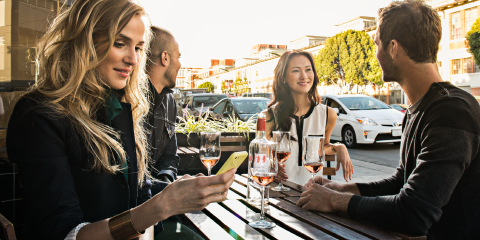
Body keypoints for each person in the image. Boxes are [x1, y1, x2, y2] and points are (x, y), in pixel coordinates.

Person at [6, 1, 235, 239]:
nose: (134, 60)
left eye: (138, 48)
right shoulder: (39, 115)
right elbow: (66, 234)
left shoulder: (119, 107)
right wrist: (162, 205)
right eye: (120, 44)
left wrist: (176, 191)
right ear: (85, 43)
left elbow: (135, 193)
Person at [296, 1, 480, 239]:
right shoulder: (420, 108)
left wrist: (335, 201)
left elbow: (414, 213)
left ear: (393, 48)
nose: (376, 53)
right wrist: (344, 189)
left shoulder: (451, 112)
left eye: (376, 44)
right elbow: (401, 181)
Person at [265, 50, 354, 185]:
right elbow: (260, 156)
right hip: (279, 195)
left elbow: (321, 149)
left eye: (308, 69)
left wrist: (339, 147)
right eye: (296, 71)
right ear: (283, 77)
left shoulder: (328, 114)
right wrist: (271, 167)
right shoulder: (270, 116)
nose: (304, 76)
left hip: (315, 194)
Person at [145, 26, 181, 185]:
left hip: (156, 196)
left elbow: (169, 157)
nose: (180, 65)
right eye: (178, 57)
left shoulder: (169, 101)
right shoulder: (127, 99)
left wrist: (164, 182)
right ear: (165, 58)